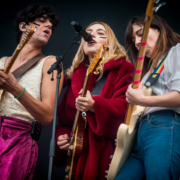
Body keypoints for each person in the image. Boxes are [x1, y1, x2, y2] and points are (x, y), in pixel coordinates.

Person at [53, 22, 135, 180]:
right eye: (88, 32)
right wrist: (63, 137)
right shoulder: (75, 77)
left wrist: (95, 106)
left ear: (109, 43)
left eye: (100, 33)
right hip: (77, 162)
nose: (91, 35)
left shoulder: (124, 68)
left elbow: (127, 111)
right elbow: (64, 121)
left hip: (107, 156)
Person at [0, 5, 63, 180]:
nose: (48, 27)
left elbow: (48, 116)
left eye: (50, 26)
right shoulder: (1, 62)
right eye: (42, 22)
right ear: (23, 26)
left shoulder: (51, 64)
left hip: (18, 140)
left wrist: (16, 89)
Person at [115, 14, 180, 180]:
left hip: (164, 127)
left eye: (140, 33)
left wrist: (143, 100)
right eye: (133, 38)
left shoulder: (177, 51)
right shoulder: (150, 71)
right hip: (140, 137)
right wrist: (126, 139)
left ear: (158, 30)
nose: (137, 42)